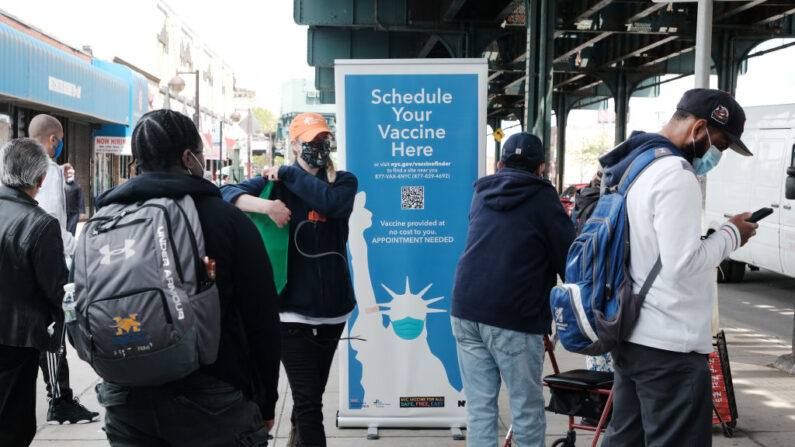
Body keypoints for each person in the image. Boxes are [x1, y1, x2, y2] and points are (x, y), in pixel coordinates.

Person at [92, 109, 281, 446]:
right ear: (187, 157)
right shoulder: (226, 218)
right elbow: (262, 317)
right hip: (213, 395)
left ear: (138, 160)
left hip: (126, 399)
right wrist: (266, 400)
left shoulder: (105, 217)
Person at [599, 89, 759, 446]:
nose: (718, 155)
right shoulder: (677, 174)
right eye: (720, 143)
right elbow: (682, 263)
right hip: (669, 348)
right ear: (700, 128)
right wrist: (732, 235)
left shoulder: (638, 164)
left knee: (626, 440)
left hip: (633, 335)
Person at [221, 112, 358, 447]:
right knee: (310, 403)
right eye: (311, 141)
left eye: (324, 140)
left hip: (333, 311)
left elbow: (331, 204)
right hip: (289, 312)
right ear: (294, 144)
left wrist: (285, 171)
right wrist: (267, 206)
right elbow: (225, 193)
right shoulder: (274, 186)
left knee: (307, 397)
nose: (319, 147)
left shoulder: (343, 182)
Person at [450, 132, 575, 447]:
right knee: (526, 411)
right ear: (541, 168)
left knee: (480, 409)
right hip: (513, 315)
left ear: (499, 163)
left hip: (466, 309)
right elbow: (568, 260)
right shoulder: (543, 197)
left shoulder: (481, 192)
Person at [27, 114, 98, 424]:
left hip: (18, 258)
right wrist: (77, 249)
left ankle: (59, 396)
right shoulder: (48, 170)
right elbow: (52, 222)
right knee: (54, 329)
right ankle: (60, 399)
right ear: (53, 140)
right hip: (45, 261)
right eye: (59, 140)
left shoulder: (14, 165)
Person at [0, 138, 68, 446]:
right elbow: (58, 291)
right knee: (14, 427)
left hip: (15, 338)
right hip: (16, 342)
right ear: (41, 179)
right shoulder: (41, 224)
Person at [63, 165, 85, 236]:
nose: (70, 175)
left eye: (71, 174)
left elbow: (80, 199)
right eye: (69, 174)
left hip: (74, 213)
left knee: (71, 230)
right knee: (64, 229)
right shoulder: (62, 186)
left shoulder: (77, 187)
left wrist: (82, 211)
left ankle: (71, 245)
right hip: (64, 212)